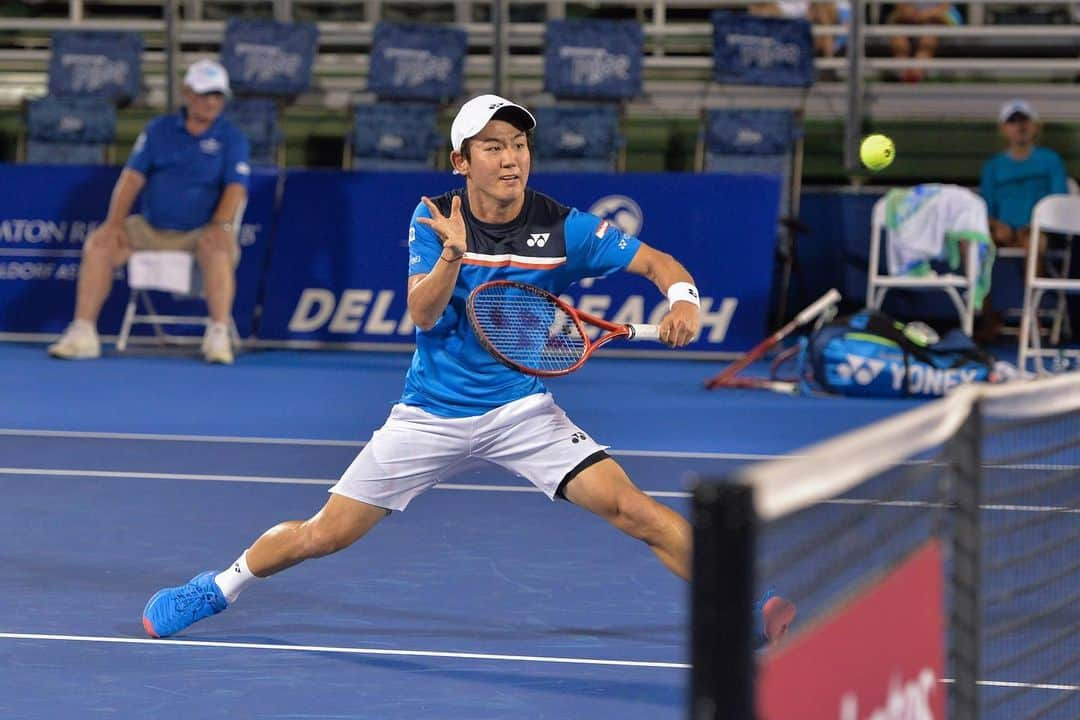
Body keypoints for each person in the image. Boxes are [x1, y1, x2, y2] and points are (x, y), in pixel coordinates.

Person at [141, 94, 796, 649]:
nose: (511, 158)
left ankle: (742, 604)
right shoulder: (433, 219)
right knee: (323, 535)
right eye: (492, 147)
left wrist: (682, 300)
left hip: (521, 413)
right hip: (429, 415)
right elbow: (423, 316)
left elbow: (657, 261)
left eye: (517, 145)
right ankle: (218, 586)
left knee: (635, 511)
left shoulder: (561, 227)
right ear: (461, 162)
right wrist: (452, 256)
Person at [47, 59, 250, 365]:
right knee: (100, 244)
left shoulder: (232, 138)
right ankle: (83, 332)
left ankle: (219, 333)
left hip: (200, 232)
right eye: (206, 94)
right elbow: (131, 179)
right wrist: (114, 224)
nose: (212, 102)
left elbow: (236, 188)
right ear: (187, 93)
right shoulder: (158, 130)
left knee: (219, 248)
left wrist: (221, 226)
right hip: (150, 229)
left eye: (218, 96)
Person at [976, 99, 1068, 342]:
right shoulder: (993, 166)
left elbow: (1058, 202)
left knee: (1034, 243)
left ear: (1035, 127)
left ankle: (1031, 316)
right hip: (1002, 234)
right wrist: (996, 226)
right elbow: (984, 209)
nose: (1019, 126)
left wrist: (1034, 227)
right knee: (978, 246)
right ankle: (988, 317)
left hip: (1038, 232)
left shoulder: (1050, 160)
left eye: (1024, 120)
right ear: (1003, 129)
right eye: (1012, 121)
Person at [887, 1, 963, 83]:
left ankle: (915, 76)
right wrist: (909, 12)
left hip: (938, 17)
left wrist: (924, 15)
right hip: (907, 18)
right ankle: (904, 75)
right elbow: (901, 6)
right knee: (898, 38)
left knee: (929, 38)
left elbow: (944, 8)